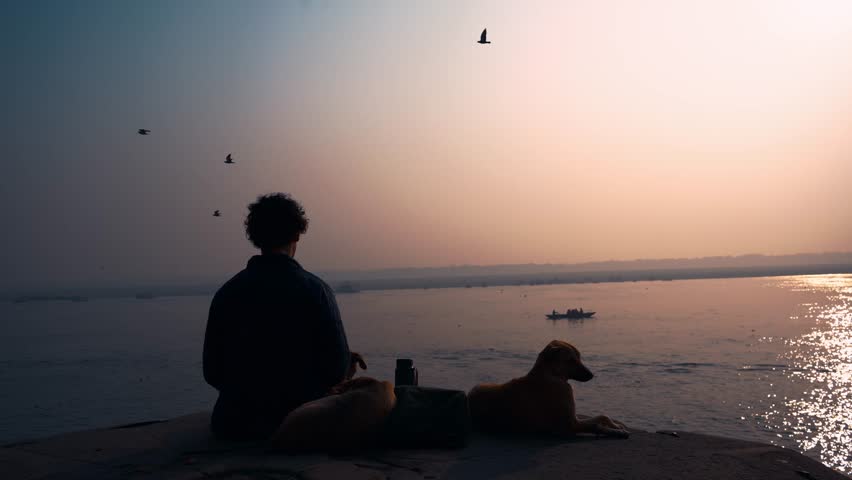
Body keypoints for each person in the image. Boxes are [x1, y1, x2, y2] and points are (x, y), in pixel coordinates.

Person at [203, 193, 361, 440]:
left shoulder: (227, 293)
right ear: (297, 234)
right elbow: (334, 371)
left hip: (234, 424)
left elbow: (212, 371)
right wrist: (346, 368)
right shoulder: (315, 290)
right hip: (299, 423)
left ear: (255, 237)